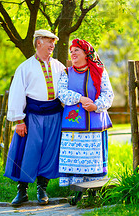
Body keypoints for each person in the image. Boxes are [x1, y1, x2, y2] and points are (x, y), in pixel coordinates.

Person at [4, 29, 66, 206]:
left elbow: (65, 91)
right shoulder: (25, 67)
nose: (52, 45)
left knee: (49, 152)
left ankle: (42, 190)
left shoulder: (59, 66)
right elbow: (16, 94)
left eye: (53, 42)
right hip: (32, 116)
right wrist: (18, 120)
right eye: (49, 42)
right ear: (38, 43)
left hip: (54, 115)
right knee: (27, 152)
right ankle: (22, 191)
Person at [57, 39, 114, 204]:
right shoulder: (66, 73)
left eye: (77, 50)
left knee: (93, 160)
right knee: (75, 161)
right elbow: (62, 93)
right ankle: (76, 193)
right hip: (73, 125)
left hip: (95, 124)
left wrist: (95, 105)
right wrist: (81, 99)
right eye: (71, 51)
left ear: (86, 54)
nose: (73, 53)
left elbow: (108, 95)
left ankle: (95, 192)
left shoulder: (100, 72)